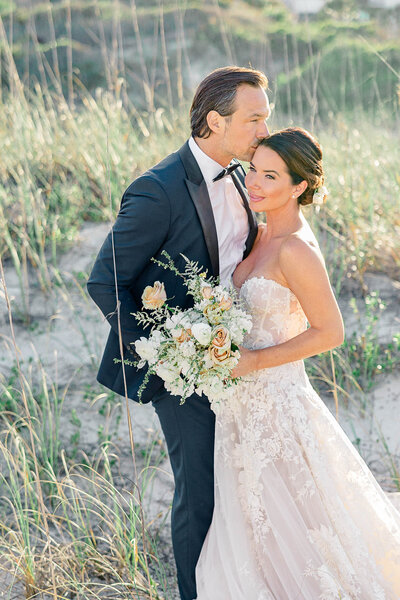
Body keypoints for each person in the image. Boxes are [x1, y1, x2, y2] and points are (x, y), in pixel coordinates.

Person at [87, 65, 271, 600]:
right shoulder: (158, 189)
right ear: (215, 121)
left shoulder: (244, 174)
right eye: (254, 119)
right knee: (199, 495)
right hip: (183, 370)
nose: (264, 129)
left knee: (242, 488)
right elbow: (105, 281)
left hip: (241, 359)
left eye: (267, 117)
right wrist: (164, 352)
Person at [194, 127, 400, 599]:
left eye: (271, 176)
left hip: (279, 408)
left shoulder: (295, 249)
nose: (256, 184)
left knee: (293, 528)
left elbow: (331, 332)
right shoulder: (260, 232)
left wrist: (256, 360)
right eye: (253, 171)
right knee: (251, 525)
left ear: (300, 186)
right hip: (239, 409)